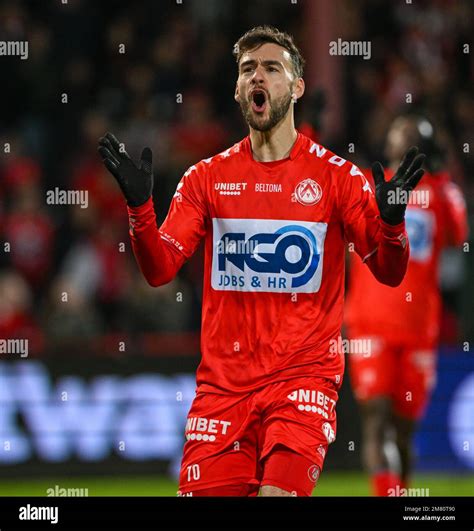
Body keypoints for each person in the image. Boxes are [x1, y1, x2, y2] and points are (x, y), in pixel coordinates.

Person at [97, 26, 425, 497]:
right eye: (249, 69)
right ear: (237, 88)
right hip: (223, 392)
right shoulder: (205, 179)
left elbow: (390, 272)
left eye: (273, 68)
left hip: (302, 381)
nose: (259, 76)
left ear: (296, 87)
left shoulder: (337, 179)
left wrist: (392, 224)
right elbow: (159, 269)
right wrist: (140, 213)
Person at [344, 115, 468, 496]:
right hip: (370, 323)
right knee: (376, 420)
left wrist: (445, 177)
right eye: (398, 129)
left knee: (403, 431)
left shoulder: (439, 193)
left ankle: (404, 493)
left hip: (417, 329)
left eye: (410, 132)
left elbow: (459, 235)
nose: (400, 134)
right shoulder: (365, 182)